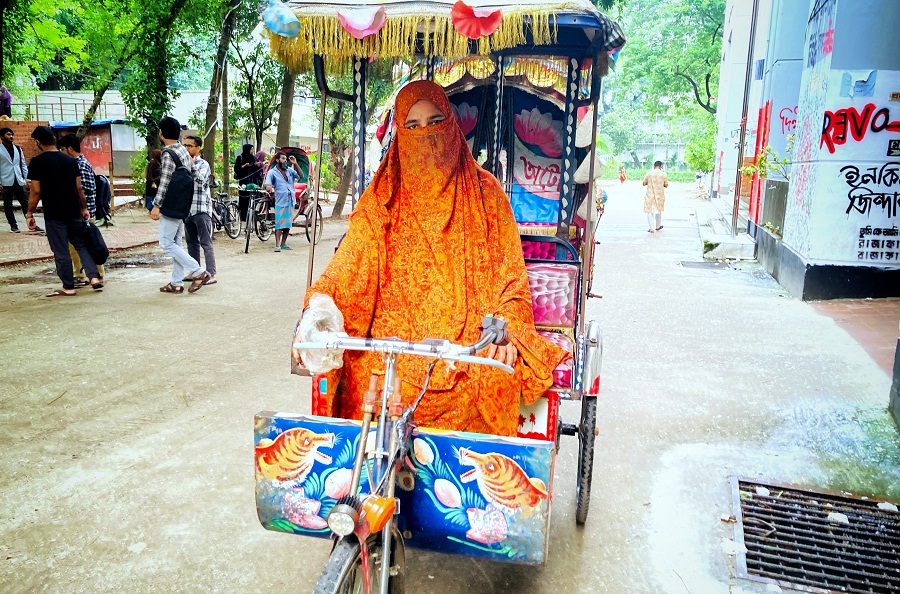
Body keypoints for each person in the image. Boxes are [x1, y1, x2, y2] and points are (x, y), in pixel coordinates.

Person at [291, 80, 567, 437]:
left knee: (488, 376)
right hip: (389, 343)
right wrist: (322, 304)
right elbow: (350, 262)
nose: (426, 135)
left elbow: (510, 279)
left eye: (436, 122)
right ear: (400, 134)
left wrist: (504, 331)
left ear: (451, 125)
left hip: (466, 341)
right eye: (413, 126)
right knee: (355, 377)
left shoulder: (486, 195)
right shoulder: (382, 199)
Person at [25, 126, 103, 296]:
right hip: (74, 209)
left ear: (38, 143)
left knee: (61, 250)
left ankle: (68, 286)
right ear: (53, 140)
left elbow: (36, 191)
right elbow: (79, 188)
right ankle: (94, 277)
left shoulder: (37, 163)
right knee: (81, 245)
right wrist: (83, 207)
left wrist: (29, 213)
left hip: (54, 213)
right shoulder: (70, 161)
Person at [149, 116, 211, 294]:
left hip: (171, 203)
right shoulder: (184, 151)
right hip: (184, 204)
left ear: (161, 133)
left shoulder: (168, 153)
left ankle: (199, 272)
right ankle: (176, 283)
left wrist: (156, 205)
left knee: (166, 243)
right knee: (175, 242)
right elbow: (194, 172)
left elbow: (165, 181)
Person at [58, 133, 106, 285]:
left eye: (62, 149)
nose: (61, 153)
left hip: (82, 212)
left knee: (78, 246)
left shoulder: (78, 164)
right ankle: (95, 273)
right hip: (85, 211)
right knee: (88, 244)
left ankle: (84, 274)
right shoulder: (83, 162)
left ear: (70, 149)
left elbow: (84, 189)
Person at [182, 135, 217, 285]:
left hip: (201, 208)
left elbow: (201, 181)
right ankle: (196, 271)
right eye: (185, 145)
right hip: (187, 209)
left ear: (198, 148)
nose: (186, 148)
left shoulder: (203, 164)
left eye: (190, 146)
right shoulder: (181, 164)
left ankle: (211, 273)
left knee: (205, 243)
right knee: (191, 243)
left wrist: (192, 165)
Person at [264, 152, 302, 252]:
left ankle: (283, 243)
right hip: (280, 200)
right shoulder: (272, 172)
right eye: (283, 159)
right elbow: (267, 184)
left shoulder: (289, 170)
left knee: (288, 223)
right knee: (279, 223)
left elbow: (300, 176)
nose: (285, 160)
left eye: (286, 159)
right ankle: (277, 245)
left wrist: (295, 163)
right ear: (277, 160)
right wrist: (269, 187)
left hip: (291, 199)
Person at [0, 127, 35, 233]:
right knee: (8, 204)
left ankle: (32, 224)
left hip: (18, 179)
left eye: (12, 134)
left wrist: (27, 179)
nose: (11, 136)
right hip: (5, 180)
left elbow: (23, 165)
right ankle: (13, 225)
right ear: (2, 137)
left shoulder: (18, 149)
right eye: (8, 134)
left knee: (25, 203)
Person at [642, 160, 668, 233]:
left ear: (654, 166)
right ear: (661, 167)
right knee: (658, 210)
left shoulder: (649, 174)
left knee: (649, 211)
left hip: (650, 195)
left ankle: (651, 228)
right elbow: (666, 185)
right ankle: (658, 226)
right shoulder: (663, 174)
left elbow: (644, 183)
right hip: (659, 195)